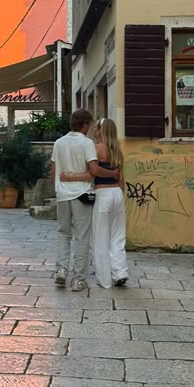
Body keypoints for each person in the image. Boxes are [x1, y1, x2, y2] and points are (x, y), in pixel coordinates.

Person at [50, 109, 119, 292]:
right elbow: (94, 171)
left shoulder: (59, 143)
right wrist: (112, 174)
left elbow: (53, 172)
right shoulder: (87, 143)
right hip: (81, 195)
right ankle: (79, 278)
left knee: (63, 233)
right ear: (85, 125)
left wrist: (60, 187)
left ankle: (61, 271)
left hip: (63, 196)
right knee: (82, 237)